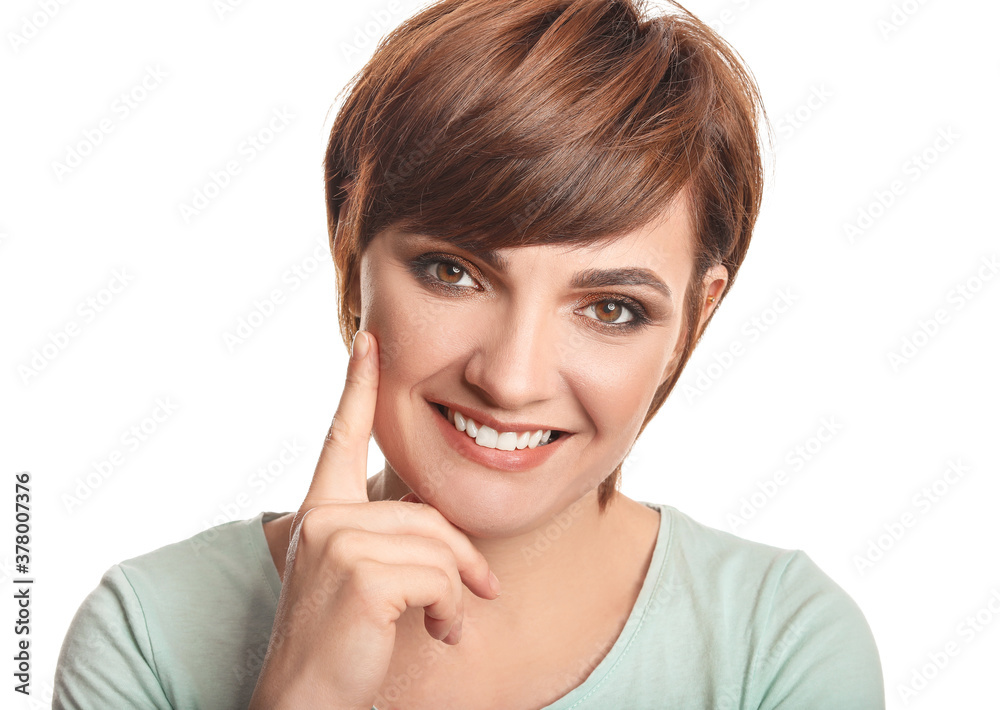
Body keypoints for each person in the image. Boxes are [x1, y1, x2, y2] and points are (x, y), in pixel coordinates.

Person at [52, 0, 886, 708]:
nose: (511, 379)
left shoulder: (778, 648)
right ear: (351, 252)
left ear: (694, 323)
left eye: (610, 308)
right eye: (453, 272)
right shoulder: (148, 636)